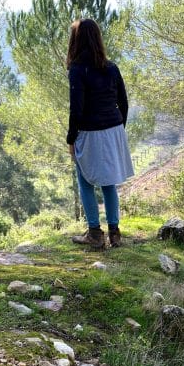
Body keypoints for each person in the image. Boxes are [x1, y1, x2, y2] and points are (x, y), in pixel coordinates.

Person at [66, 18, 134, 249]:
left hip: (90, 132)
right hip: (113, 129)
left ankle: (95, 233)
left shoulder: (77, 70)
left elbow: (77, 108)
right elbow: (123, 103)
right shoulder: (111, 67)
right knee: (108, 182)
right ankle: (115, 233)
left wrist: (71, 138)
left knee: (85, 180)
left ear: (76, 40)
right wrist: (116, 129)